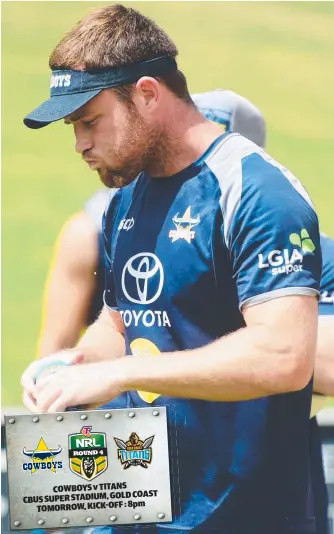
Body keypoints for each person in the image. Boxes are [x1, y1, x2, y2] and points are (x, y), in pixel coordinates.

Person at [21, 4, 322, 534]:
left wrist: (118, 373)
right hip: (141, 510)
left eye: (90, 121)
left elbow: (284, 358)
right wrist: (75, 364)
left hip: (247, 517)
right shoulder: (127, 197)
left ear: (147, 94)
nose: (80, 145)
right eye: (74, 127)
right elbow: (123, 318)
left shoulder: (256, 193)